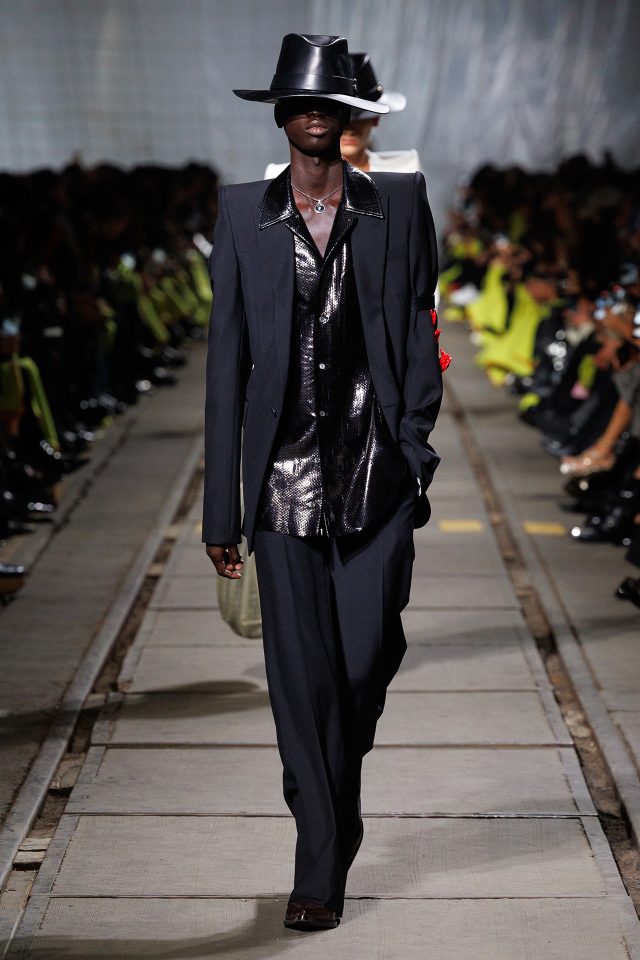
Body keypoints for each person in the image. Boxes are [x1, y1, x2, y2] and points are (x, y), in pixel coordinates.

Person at [203, 33, 445, 932]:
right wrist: (220, 511)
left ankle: (329, 796)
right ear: (281, 115)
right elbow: (225, 366)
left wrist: (415, 449)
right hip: (280, 485)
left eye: (327, 104)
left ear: (347, 116)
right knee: (300, 680)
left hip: (378, 474)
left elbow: (419, 328)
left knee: (366, 661)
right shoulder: (243, 213)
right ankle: (318, 863)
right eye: (300, 103)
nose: (313, 115)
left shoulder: (399, 206)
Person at [265, 51, 420, 179]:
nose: (349, 127)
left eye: (359, 117)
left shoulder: (405, 170)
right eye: (337, 115)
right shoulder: (278, 177)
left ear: (375, 119)